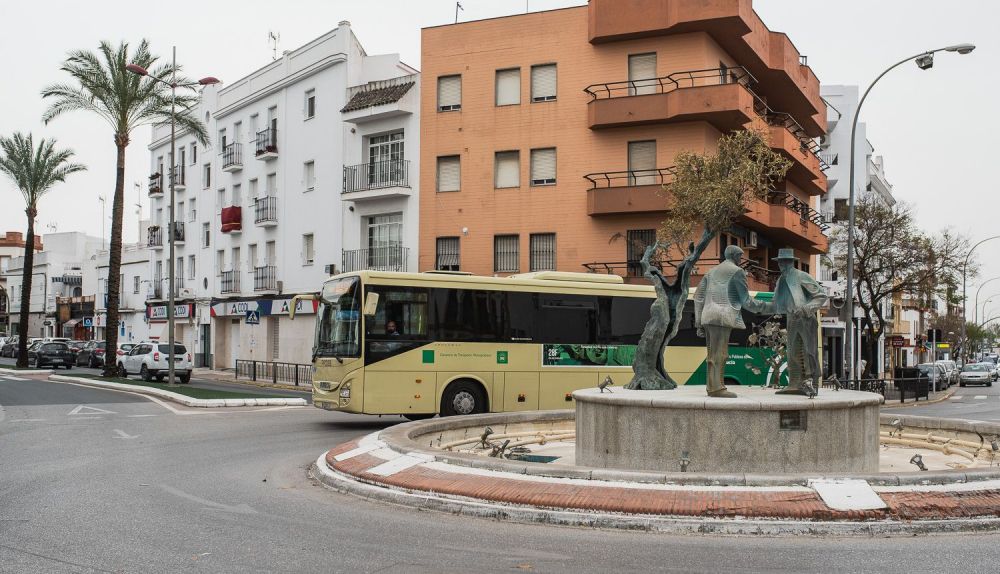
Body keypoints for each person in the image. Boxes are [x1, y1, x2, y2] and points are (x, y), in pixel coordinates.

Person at [694, 245, 773, 398]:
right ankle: (717, 388)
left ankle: (712, 386)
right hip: (722, 315)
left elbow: (698, 297)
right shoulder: (737, 271)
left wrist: (698, 322)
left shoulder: (710, 272)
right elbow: (746, 301)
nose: (740, 260)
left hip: (707, 316)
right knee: (721, 353)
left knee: (712, 354)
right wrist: (768, 307)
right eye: (740, 257)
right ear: (736, 256)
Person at [772, 248, 828, 395]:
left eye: (784, 262)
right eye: (779, 262)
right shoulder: (781, 280)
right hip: (791, 318)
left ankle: (811, 383)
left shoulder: (802, 276)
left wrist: (805, 308)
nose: (781, 265)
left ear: (791, 262)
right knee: (792, 352)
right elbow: (776, 303)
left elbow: (821, 295)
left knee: (809, 351)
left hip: (805, 318)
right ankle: (795, 384)